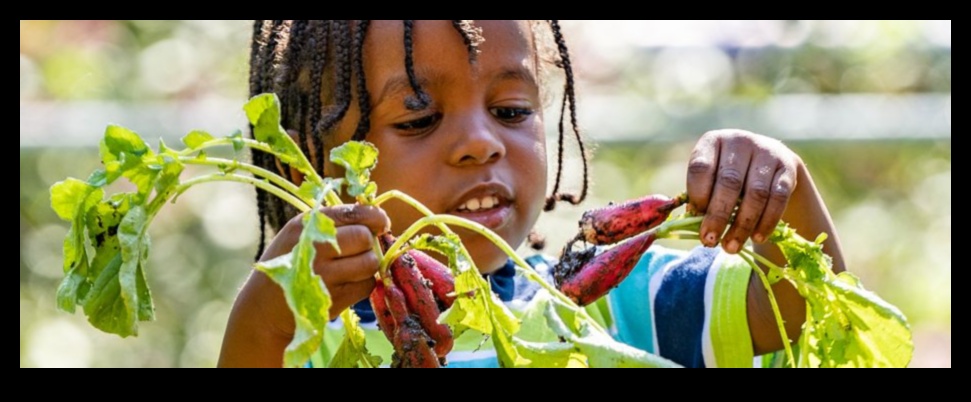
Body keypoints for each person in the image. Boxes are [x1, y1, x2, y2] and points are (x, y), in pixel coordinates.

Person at [218, 20, 846, 368]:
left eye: (511, 110)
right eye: (416, 119)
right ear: (312, 163)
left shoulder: (613, 303)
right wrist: (266, 320)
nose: (479, 142)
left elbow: (799, 312)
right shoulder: (302, 340)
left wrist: (781, 190)